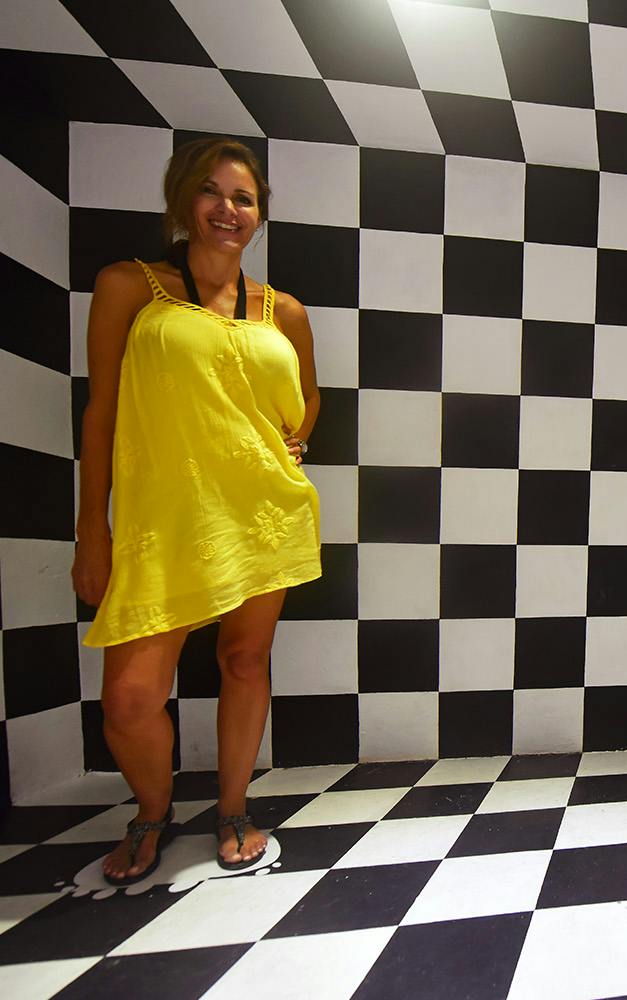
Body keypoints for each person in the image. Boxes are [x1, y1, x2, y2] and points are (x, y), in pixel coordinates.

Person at [70, 137, 322, 884]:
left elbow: (310, 395)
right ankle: (152, 812)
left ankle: (234, 808)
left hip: (262, 511)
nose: (228, 209)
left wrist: (295, 440)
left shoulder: (284, 310)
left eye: (244, 198)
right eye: (212, 191)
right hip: (162, 521)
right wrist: (92, 530)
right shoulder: (131, 286)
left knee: (244, 661)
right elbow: (101, 412)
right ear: (183, 198)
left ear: (260, 214)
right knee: (130, 699)